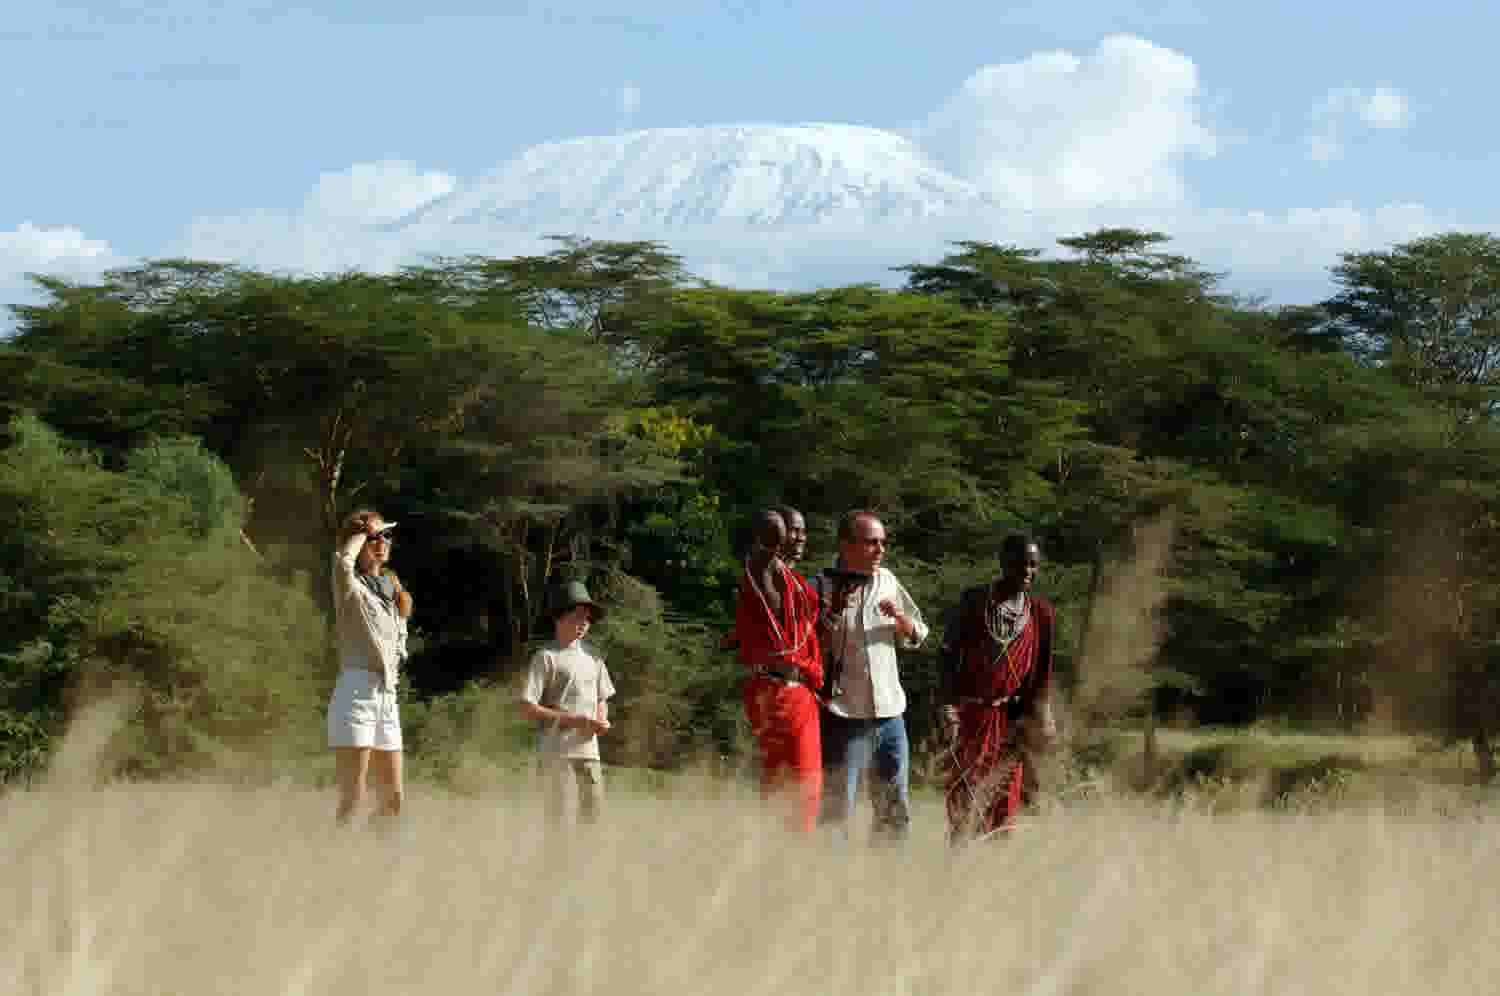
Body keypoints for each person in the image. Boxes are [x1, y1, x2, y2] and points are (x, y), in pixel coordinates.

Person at [815, 511, 928, 843]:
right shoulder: (818, 585)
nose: (880, 549)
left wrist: (900, 620)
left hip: (890, 716)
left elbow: (918, 634)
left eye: (883, 542)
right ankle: (827, 885)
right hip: (843, 715)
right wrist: (833, 611)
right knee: (838, 810)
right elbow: (806, 646)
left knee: (894, 809)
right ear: (847, 545)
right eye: (871, 542)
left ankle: (887, 884)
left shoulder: (888, 581)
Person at [940, 533, 1057, 843]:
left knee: (1005, 804)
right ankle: (958, 868)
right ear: (1003, 563)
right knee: (966, 800)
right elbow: (949, 656)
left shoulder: (1041, 613)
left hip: (1012, 720)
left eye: (1034, 566)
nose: (1027, 572)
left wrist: (1042, 718)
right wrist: (948, 706)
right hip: (973, 715)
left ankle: (994, 875)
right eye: (1020, 564)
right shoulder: (975, 601)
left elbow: (1042, 673)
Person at [735, 508, 825, 833]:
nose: (799, 537)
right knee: (793, 782)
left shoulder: (796, 583)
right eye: (793, 530)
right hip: (777, 691)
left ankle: (785, 858)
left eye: (803, 531)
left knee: (801, 783)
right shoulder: (764, 573)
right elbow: (766, 541)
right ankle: (783, 855)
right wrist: (774, 534)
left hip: (800, 692)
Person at [327, 509, 412, 827]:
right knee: (355, 798)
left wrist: (370, 532)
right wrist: (360, 532)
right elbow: (341, 562)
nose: (382, 542)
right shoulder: (349, 587)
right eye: (373, 537)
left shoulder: (391, 589)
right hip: (356, 693)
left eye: (385, 535)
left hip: (386, 696)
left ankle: (378, 866)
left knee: (393, 800)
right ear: (358, 542)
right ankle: (337, 865)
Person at [518, 581, 615, 828]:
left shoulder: (595, 657)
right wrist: (574, 720)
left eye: (588, 618)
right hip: (555, 753)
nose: (584, 622)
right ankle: (555, 866)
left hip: (589, 753)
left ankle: (585, 865)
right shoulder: (546, 657)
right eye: (577, 616)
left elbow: (602, 697)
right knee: (558, 823)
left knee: (593, 819)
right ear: (559, 618)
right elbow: (528, 708)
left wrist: (602, 719)